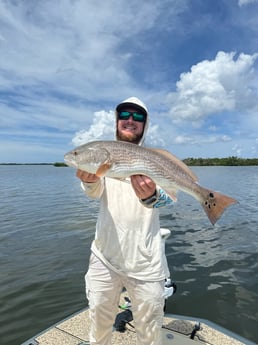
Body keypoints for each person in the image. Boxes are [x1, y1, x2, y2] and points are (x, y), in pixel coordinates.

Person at [76, 97, 173, 345]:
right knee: (98, 326)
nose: (130, 120)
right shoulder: (104, 155)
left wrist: (151, 196)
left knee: (150, 332)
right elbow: (94, 192)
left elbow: (170, 199)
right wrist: (89, 179)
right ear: (117, 121)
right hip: (104, 257)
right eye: (125, 115)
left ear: (145, 124)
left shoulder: (155, 158)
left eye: (138, 116)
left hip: (146, 263)